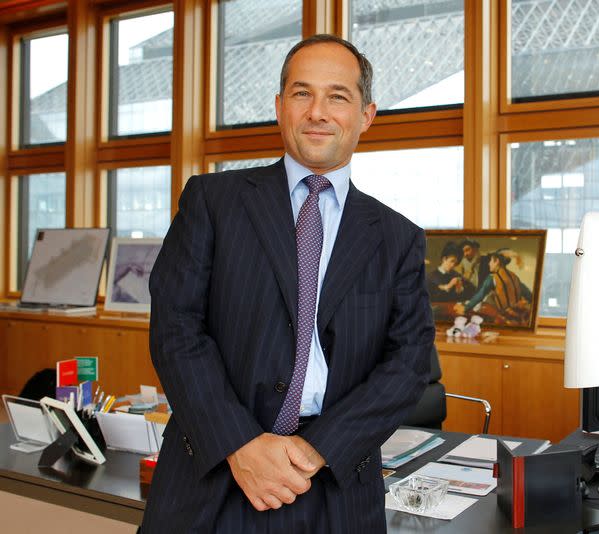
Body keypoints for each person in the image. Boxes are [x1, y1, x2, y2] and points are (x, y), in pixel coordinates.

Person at [142, 34, 434, 533]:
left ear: (366, 115)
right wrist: (241, 446)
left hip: (334, 485)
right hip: (214, 476)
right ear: (280, 108)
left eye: (337, 96)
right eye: (302, 94)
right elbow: (175, 329)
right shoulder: (213, 201)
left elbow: (408, 364)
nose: (318, 111)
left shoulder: (398, 237)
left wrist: (314, 450)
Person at [454, 250, 533, 325]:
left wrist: (465, 308)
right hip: (520, 318)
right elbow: (529, 295)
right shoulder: (514, 276)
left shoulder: (492, 278)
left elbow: (480, 295)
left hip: (506, 319)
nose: (489, 264)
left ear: (497, 261)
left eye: (491, 261)